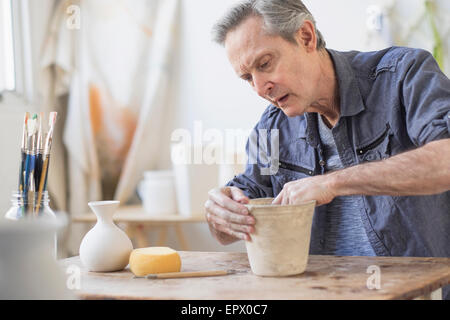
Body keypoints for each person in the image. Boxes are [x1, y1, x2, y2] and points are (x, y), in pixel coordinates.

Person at [204, 0, 450, 299]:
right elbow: (238, 214)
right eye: (247, 78)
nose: (259, 88)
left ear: (305, 36)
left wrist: (333, 182)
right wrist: (221, 214)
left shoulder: (401, 75)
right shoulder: (272, 127)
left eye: (265, 64)